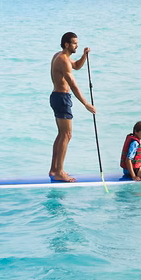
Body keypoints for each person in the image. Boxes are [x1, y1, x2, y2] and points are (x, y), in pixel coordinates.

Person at [49, 31, 96, 182]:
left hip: (57, 98)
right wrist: (86, 103)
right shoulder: (62, 59)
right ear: (67, 44)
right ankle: (59, 172)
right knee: (66, 135)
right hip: (62, 99)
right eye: (74, 43)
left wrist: (84, 56)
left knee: (61, 134)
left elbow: (75, 66)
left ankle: (54, 169)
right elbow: (73, 85)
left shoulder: (61, 56)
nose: (77, 45)